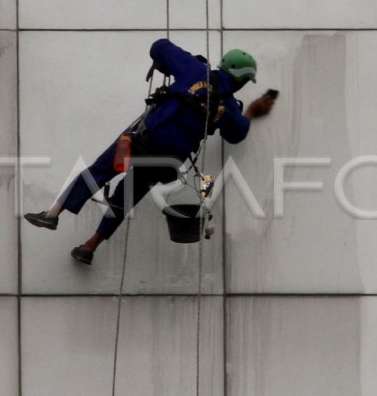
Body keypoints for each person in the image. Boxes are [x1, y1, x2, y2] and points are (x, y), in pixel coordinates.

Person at [24, 38, 276, 265]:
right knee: (125, 199)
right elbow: (237, 134)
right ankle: (89, 247)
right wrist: (251, 112)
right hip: (164, 162)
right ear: (242, 81)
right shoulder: (230, 108)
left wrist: (171, 65)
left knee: (100, 172)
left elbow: (159, 46)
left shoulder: (194, 69)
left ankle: (52, 214)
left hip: (140, 143)